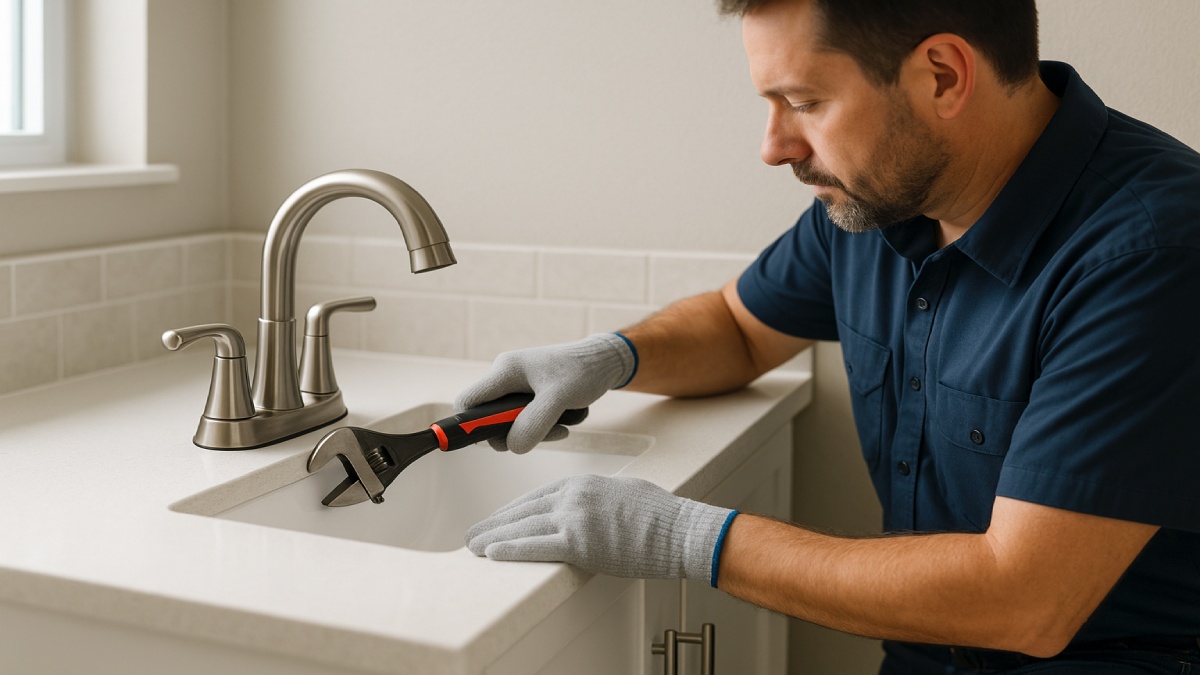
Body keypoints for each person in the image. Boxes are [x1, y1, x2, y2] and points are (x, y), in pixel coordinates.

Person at [457, 0, 1200, 672]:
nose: (774, 146)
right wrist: (613, 356)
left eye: (804, 102)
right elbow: (740, 327)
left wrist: (684, 537)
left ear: (943, 75)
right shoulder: (878, 201)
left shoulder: (1153, 251)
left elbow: (1023, 598)